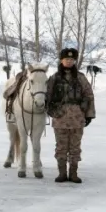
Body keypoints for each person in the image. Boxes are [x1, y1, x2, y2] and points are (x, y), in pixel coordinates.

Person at [44, 46, 95, 183]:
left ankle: (73, 173)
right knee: (61, 146)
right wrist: (50, 111)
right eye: (67, 59)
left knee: (75, 147)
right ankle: (62, 173)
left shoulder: (80, 78)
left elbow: (89, 95)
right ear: (61, 60)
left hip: (77, 117)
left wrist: (89, 114)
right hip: (60, 117)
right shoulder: (54, 78)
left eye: (72, 59)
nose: (69, 62)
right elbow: (47, 97)